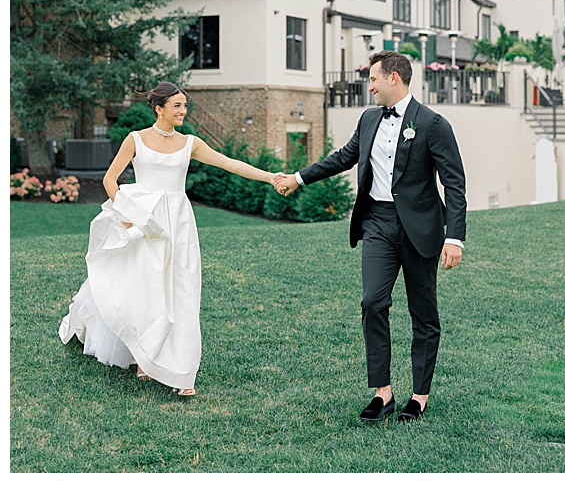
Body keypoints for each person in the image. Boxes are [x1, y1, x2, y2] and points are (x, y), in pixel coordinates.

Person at [273, 50, 466, 423]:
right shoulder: (367, 119)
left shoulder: (432, 123)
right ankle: (383, 393)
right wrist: (298, 178)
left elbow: (454, 183)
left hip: (420, 230)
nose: (370, 85)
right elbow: (344, 157)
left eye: (374, 78)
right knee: (372, 302)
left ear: (394, 78)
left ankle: (419, 396)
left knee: (423, 313)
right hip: (377, 224)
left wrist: (454, 237)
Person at [60, 81, 281, 397]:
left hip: (178, 224)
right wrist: (126, 214)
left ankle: (181, 372)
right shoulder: (135, 139)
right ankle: (143, 357)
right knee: (145, 288)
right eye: (177, 105)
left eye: (185, 105)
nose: (183, 111)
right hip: (145, 221)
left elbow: (229, 163)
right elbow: (110, 179)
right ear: (158, 108)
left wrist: (269, 177)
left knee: (180, 290)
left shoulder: (190, 143)